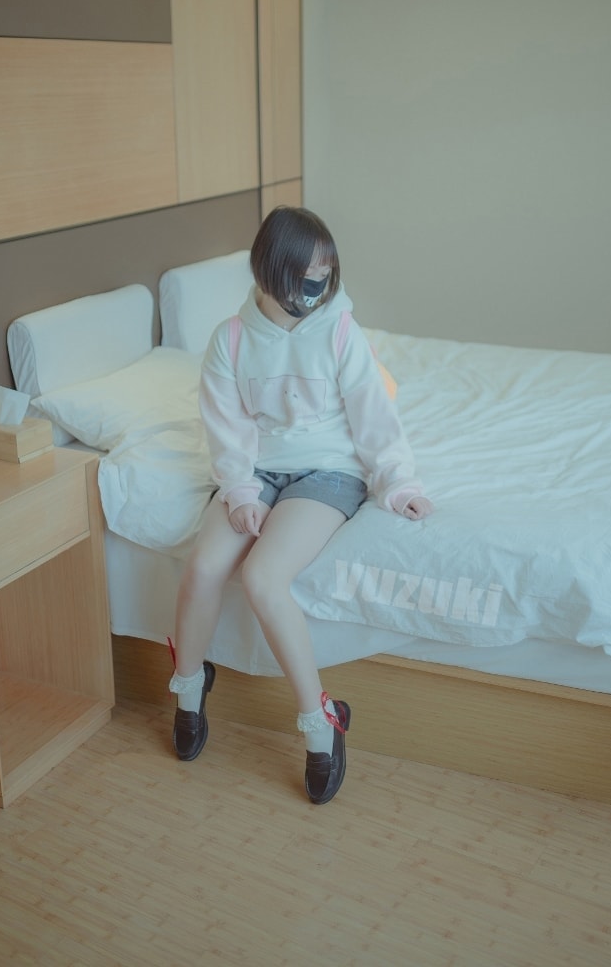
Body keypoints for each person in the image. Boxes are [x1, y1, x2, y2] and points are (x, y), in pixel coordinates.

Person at [168, 206, 434, 804]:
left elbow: (374, 417)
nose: (319, 283)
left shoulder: (339, 331)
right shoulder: (231, 339)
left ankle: (321, 721)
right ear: (271, 270)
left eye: (326, 272)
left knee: (263, 578)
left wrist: (398, 484)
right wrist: (240, 493)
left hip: (328, 471)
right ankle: (188, 689)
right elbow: (227, 430)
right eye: (307, 273)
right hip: (257, 469)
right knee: (204, 567)